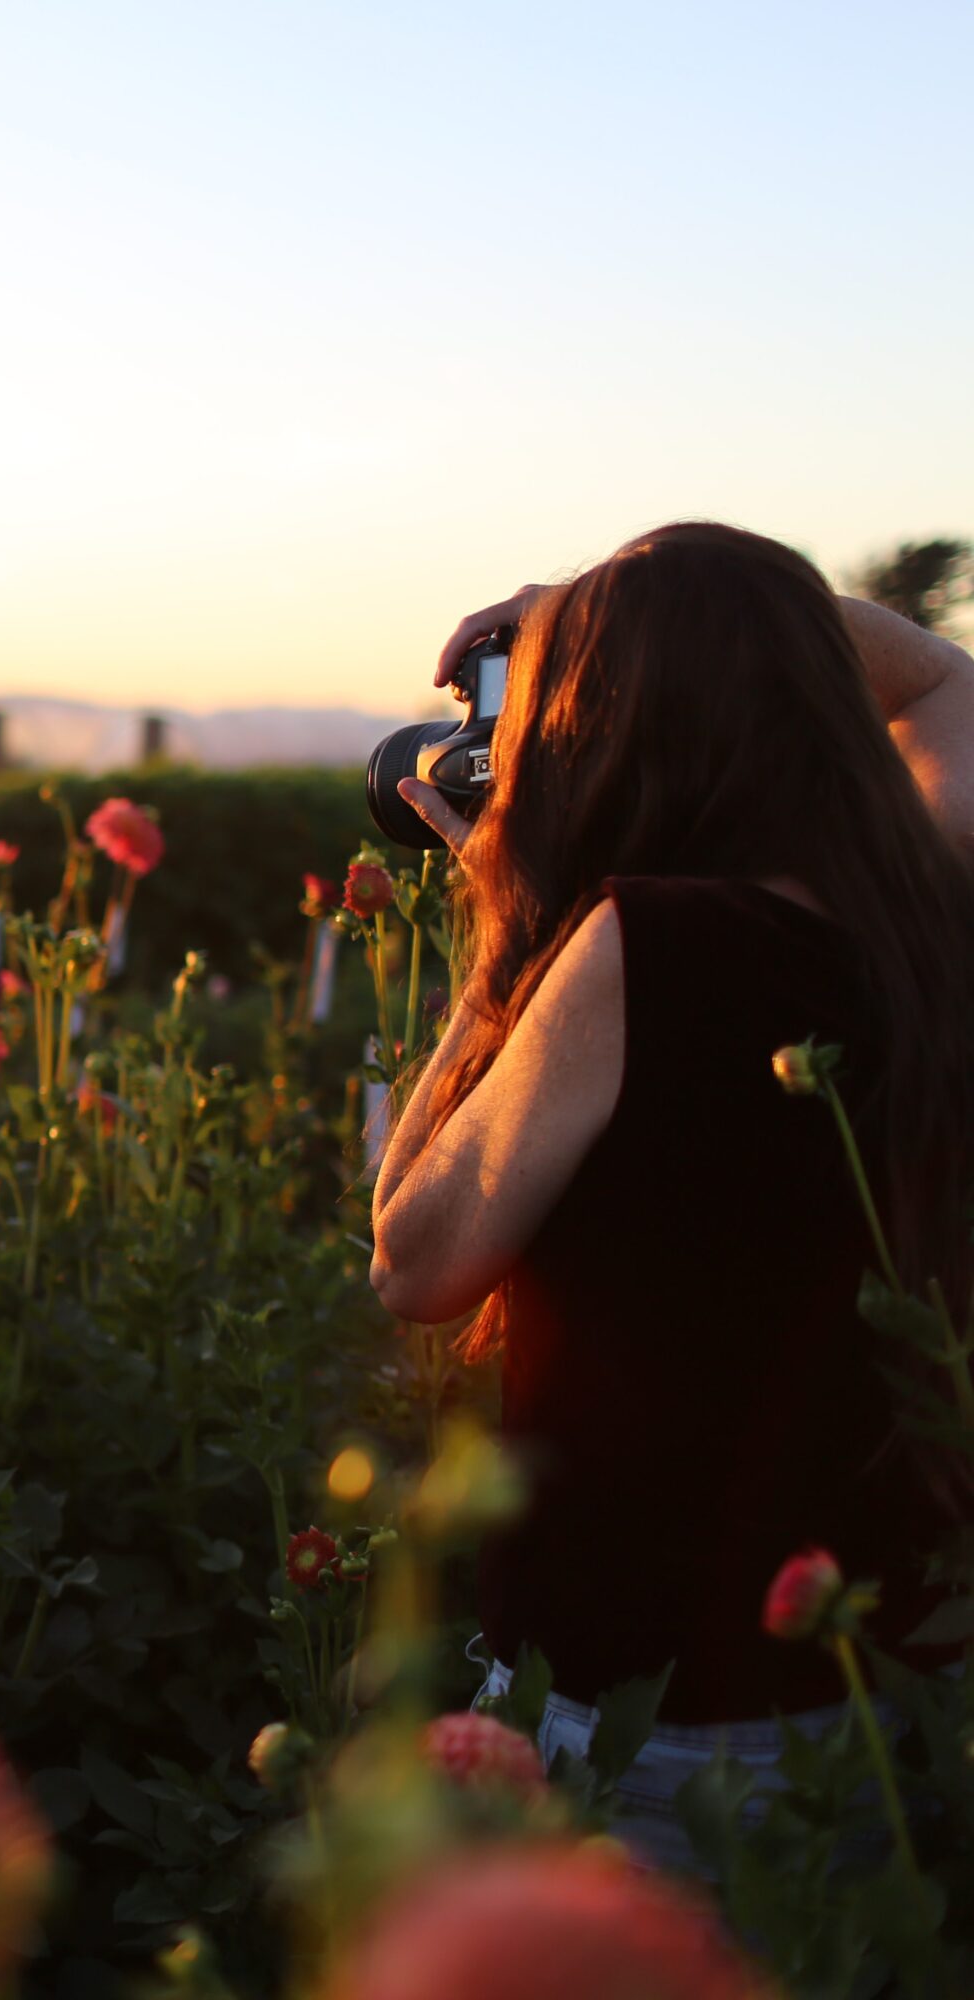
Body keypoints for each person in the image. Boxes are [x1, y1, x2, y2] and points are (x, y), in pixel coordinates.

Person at [370, 520, 974, 1875]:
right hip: (891, 1691)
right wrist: (649, 613)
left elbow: (414, 1262)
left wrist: (501, 939)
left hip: (651, 1726)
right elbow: (951, 686)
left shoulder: (646, 942)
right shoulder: (934, 908)